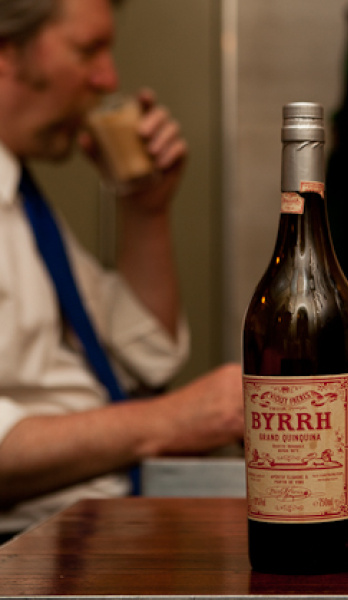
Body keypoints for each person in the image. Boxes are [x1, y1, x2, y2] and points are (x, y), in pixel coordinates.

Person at [0, 0, 244, 542]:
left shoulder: (21, 201)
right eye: (88, 50)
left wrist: (145, 210)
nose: (108, 78)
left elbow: (144, 357)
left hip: (95, 524)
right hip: (31, 548)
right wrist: (169, 421)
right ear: (5, 52)